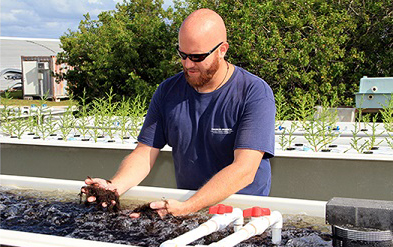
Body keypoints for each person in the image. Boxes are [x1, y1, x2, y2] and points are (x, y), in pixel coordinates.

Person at [85, 8, 275, 218]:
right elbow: (144, 153)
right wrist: (114, 186)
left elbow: (244, 170)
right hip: (190, 211)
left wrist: (188, 206)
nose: (187, 64)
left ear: (222, 50)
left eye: (197, 56)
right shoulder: (168, 91)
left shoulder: (254, 93)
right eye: (182, 55)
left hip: (244, 216)